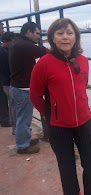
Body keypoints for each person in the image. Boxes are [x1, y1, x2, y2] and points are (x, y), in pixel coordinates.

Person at [30, 18, 91, 195]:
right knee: (67, 168)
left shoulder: (83, 61)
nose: (65, 37)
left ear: (76, 37)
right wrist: (51, 113)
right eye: (60, 33)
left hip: (84, 121)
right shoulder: (43, 64)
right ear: (52, 38)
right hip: (58, 126)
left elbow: (82, 87)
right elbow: (35, 96)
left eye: (69, 33)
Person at [9, 22, 47, 154]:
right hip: (22, 88)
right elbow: (43, 51)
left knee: (21, 117)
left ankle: (24, 139)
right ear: (28, 32)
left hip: (16, 86)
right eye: (37, 33)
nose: (39, 37)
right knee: (23, 119)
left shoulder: (17, 43)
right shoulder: (23, 45)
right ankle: (22, 146)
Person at [0, 32, 16, 134]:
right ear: (5, 42)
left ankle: (14, 125)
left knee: (11, 104)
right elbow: (8, 69)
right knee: (14, 105)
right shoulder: (4, 53)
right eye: (12, 42)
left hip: (4, 81)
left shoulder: (4, 51)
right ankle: (17, 128)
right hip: (8, 82)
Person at [0, 22, 11, 128]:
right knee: (3, 98)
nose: (3, 30)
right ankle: (4, 119)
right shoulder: (3, 51)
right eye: (1, 28)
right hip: (3, 78)